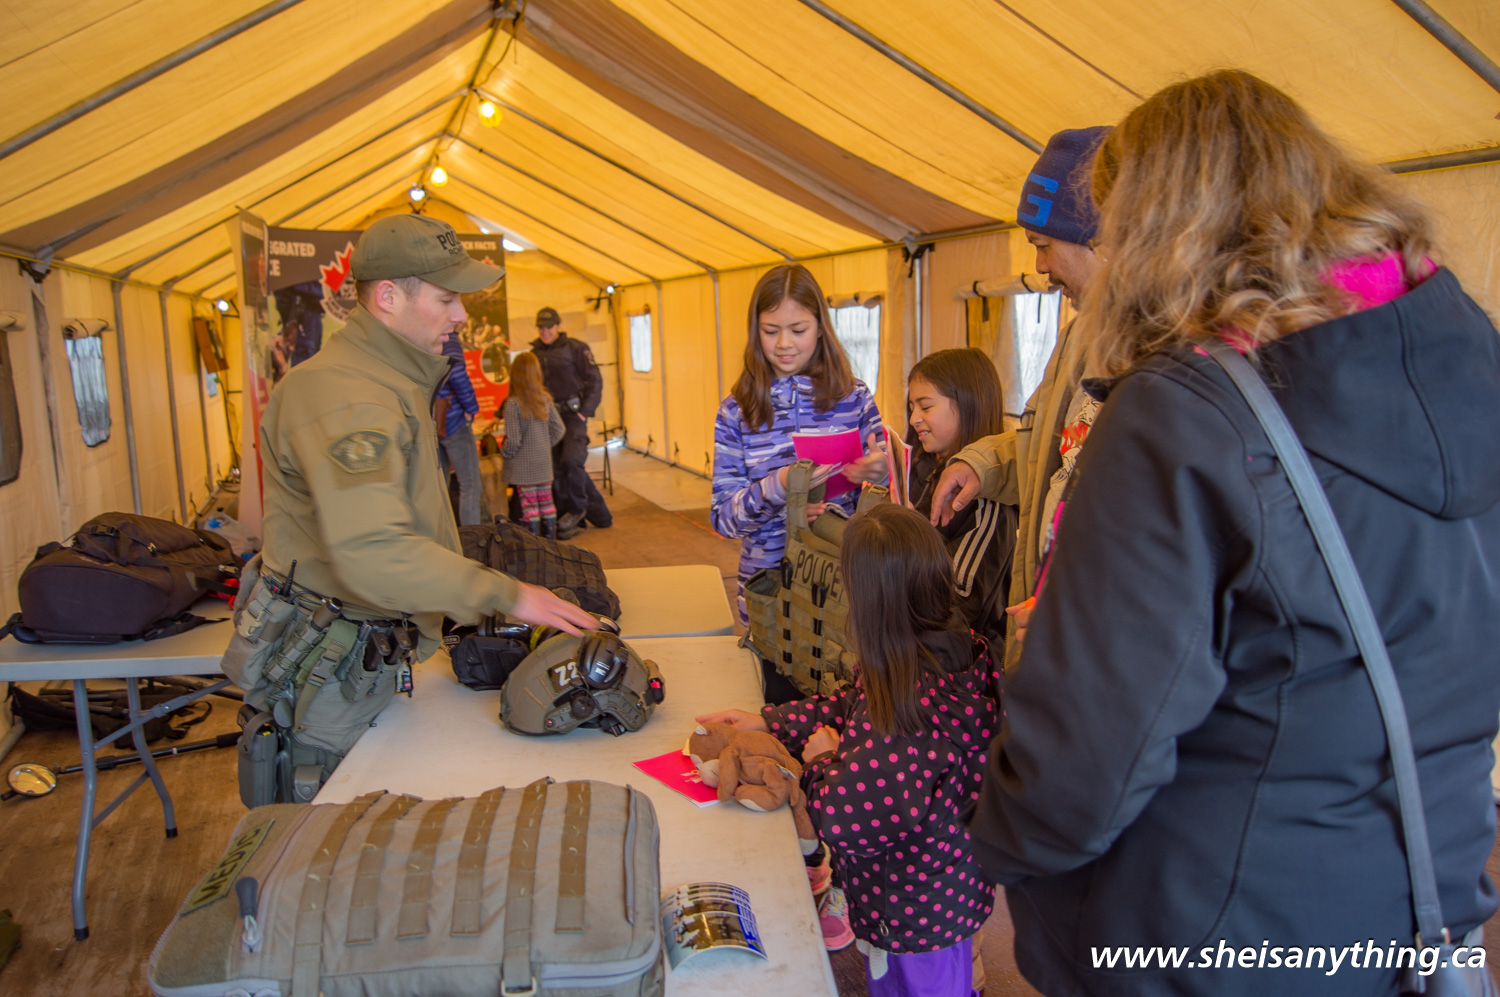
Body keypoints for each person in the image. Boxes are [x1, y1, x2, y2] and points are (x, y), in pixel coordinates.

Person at [968, 70, 1500, 996]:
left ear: (1157, 228)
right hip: (1409, 890)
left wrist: (998, 839)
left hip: (1207, 928)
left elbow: (1083, 766)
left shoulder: (1187, 411)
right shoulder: (1461, 360)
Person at [221, 214, 597, 803]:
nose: (461, 315)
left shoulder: (385, 382)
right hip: (326, 680)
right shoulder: (349, 396)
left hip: (362, 656)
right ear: (389, 297)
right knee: (328, 830)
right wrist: (506, 594)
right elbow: (373, 551)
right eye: (446, 299)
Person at [701, 503, 999, 996]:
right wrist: (772, 721)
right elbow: (853, 702)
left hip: (913, 913)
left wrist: (822, 762)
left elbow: (844, 818)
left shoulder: (905, 707)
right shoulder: (940, 648)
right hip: (947, 890)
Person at [926, 126, 1110, 672]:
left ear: (1099, 238)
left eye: (1043, 246)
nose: (1041, 269)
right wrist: (983, 462)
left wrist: (1084, 612)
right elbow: (1050, 445)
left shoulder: (1170, 358)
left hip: (1094, 644)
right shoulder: (1078, 338)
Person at [711, 263, 886, 627]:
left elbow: (894, 499)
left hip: (844, 587)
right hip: (769, 593)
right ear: (755, 330)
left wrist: (881, 473)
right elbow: (724, 520)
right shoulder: (736, 411)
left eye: (798, 329)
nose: (784, 344)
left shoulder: (854, 397)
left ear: (821, 327)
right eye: (770, 331)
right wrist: (779, 486)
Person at [905, 348, 1017, 646]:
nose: (914, 418)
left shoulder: (988, 501)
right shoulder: (926, 469)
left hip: (957, 655)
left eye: (926, 407)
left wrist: (907, 539)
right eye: (912, 407)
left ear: (968, 406)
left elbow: (961, 603)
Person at [530, 305, 610, 539]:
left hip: (573, 415)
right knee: (555, 467)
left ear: (558, 326)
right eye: (541, 327)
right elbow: (526, 383)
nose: (545, 332)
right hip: (547, 417)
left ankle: (576, 510)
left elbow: (595, 381)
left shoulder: (575, 348)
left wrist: (585, 412)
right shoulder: (534, 353)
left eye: (549, 327)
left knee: (572, 461)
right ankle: (577, 514)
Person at [499, 352, 566, 538]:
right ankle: (551, 544)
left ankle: (535, 546)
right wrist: (543, 445)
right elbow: (559, 429)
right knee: (547, 505)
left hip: (523, 468)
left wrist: (504, 453)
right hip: (543, 465)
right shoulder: (545, 399)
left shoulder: (513, 403)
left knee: (530, 509)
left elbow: (513, 440)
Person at [434, 327, 482, 526]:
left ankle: (443, 538)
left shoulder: (425, 334)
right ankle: (473, 539)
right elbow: (457, 373)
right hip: (453, 420)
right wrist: (472, 408)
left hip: (431, 421)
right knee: (470, 485)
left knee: (439, 487)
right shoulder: (448, 338)